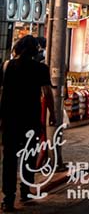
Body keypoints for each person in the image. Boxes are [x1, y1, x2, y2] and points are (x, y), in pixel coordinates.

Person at [1, 36, 56, 211]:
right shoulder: (41, 68)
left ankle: (8, 197)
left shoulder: (6, 66)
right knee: (28, 156)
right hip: (31, 118)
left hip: (10, 118)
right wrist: (52, 114)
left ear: (17, 48)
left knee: (9, 158)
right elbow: (47, 93)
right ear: (35, 51)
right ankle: (25, 190)